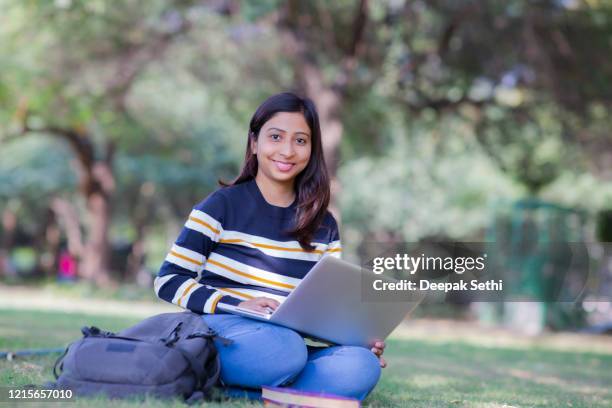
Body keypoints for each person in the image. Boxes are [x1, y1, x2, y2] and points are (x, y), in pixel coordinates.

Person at [154, 92, 385, 401]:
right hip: (228, 335)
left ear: (312, 149)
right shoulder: (221, 206)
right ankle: (285, 392)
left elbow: (322, 313)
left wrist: (356, 340)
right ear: (254, 142)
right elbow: (168, 281)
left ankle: (242, 393)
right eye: (275, 137)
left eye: (301, 141)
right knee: (283, 350)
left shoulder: (325, 224)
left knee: (361, 367)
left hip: (290, 345)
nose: (287, 151)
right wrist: (237, 305)